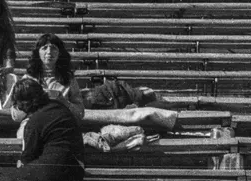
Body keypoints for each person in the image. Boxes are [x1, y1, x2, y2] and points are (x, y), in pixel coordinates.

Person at [21, 33, 180, 132]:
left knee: (130, 98)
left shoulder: (68, 79)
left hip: (63, 120)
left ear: (60, 53)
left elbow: (80, 112)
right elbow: (18, 111)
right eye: (45, 48)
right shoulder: (28, 79)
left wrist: (63, 102)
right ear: (38, 52)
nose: (49, 53)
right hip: (40, 123)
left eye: (54, 48)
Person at [0, 79, 84, 181]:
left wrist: (21, 164)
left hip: (52, 173)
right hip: (75, 175)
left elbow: (27, 158)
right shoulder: (61, 107)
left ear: (22, 104)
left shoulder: (34, 122)